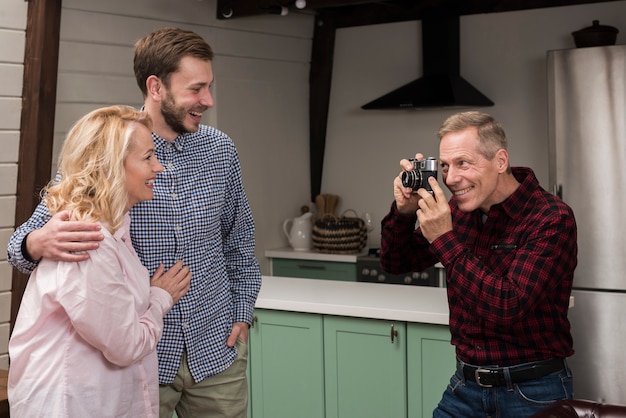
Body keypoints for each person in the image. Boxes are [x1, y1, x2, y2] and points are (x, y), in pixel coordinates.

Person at [7, 28, 262, 418]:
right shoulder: (109, 150)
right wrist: (36, 243)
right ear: (156, 87)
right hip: (139, 363)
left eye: (209, 87)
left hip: (216, 349)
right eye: (196, 89)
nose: (207, 100)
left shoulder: (221, 150)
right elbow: (21, 246)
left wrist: (242, 310)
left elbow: (240, 237)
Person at [379, 111, 577, 417]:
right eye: (444, 166)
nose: (451, 179)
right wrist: (404, 213)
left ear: (500, 161)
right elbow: (395, 261)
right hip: (466, 386)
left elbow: (507, 305)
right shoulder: (459, 213)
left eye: (463, 163)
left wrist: (444, 238)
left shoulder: (550, 217)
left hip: (533, 390)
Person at [8, 105, 192, 417]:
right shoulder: (88, 240)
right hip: (70, 402)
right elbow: (127, 344)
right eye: (148, 158)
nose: (158, 167)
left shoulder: (113, 227)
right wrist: (160, 298)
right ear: (111, 166)